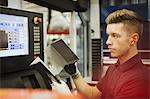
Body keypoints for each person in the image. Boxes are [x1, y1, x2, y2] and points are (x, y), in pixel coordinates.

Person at [64, 9, 149, 99]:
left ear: (133, 39)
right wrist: (75, 74)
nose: (108, 42)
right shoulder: (113, 68)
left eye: (115, 35)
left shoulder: (140, 80)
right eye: (108, 35)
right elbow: (93, 94)